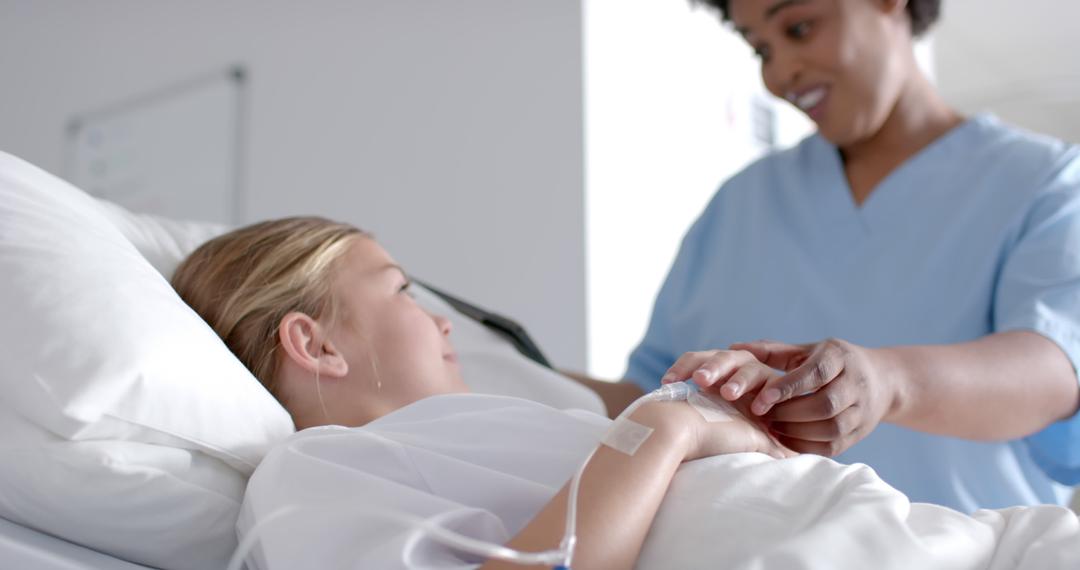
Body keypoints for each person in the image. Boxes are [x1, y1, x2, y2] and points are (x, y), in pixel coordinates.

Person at [577, 0, 1080, 514]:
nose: (780, 73)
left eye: (799, 27)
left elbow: (1057, 371)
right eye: (762, 48)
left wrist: (888, 382)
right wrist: (506, 372)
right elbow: (653, 395)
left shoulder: (1047, 182)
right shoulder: (743, 202)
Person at [171, 217, 792, 569]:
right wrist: (668, 429)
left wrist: (755, 428)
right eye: (401, 292)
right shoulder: (305, 473)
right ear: (317, 345)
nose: (443, 323)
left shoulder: (467, 436)